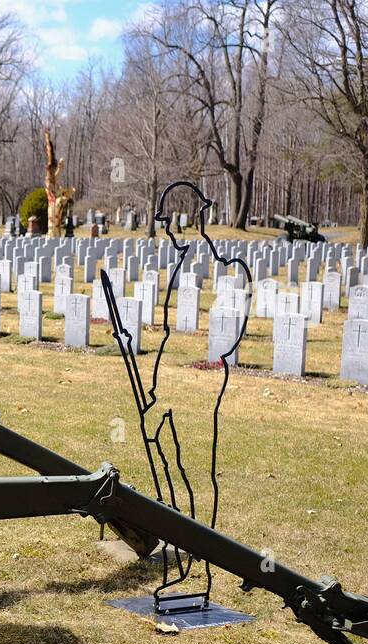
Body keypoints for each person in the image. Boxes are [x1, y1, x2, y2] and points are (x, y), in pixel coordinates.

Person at [102, 181, 252, 613]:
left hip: (197, 395)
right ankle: (180, 573)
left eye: (168, 220)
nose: (166, 229)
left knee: (196, 483)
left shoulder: (226, 264)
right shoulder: (182, 260)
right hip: (164, 387)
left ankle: (199, 573)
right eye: (164, 222)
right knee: (169, 475)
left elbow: (231, 331)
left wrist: (211, 368)